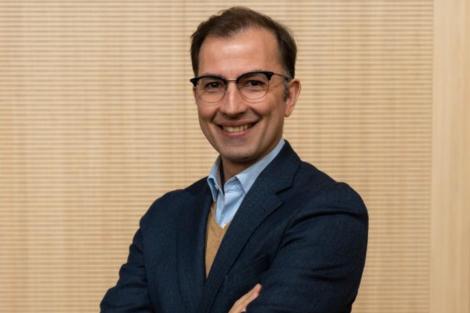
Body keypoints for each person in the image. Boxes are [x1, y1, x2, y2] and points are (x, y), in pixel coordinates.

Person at [101, 6, 368, 313]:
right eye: (213, 84)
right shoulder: (164, 216)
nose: (231, 106)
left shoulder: (328, 211)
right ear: (197, 95)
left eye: (253, 82)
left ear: (289, 96)